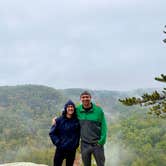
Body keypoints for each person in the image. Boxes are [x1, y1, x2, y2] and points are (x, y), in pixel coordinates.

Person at [77, 91, 107, 166]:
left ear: (90, 98)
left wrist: (101, 142)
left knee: (101, 164)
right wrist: (56, 120)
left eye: (87, 97)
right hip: (84, 144)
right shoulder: (77, 110)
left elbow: (104, 126)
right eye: (83, 97)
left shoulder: (98, 111)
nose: (85, 99)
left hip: (97, 144)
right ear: (81, 99)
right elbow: (68, 114)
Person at [49, 100, 80, 166]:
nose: (70, 108)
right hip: (60, 149)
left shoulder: (77, 121)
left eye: (72, 107)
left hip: (71, 150)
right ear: (65, 108)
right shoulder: (59, 120)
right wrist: (58, 143)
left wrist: (75, 145)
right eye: (68, 107)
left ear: (74, 108)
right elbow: (52, 133)